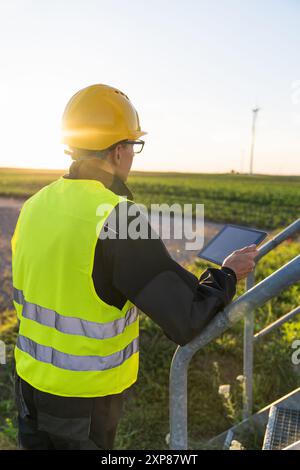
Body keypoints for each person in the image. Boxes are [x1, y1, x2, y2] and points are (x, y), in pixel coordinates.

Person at [11, 84, 258, 450]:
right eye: (133, 146)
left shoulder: (34, 206)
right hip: (84, 401)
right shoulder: (117, 217)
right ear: (119, 150)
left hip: (29, 385)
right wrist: (226, 274)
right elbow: (187, 316)